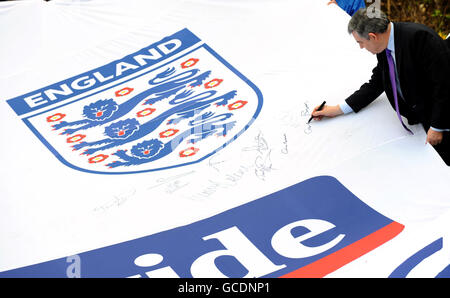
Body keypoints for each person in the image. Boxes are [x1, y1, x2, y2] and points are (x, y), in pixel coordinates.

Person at [311, 8, 450, 166]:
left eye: (360, 42)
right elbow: (376, 83)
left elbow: (444, 84)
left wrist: (438, 127)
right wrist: (337, 109)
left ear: (372, 36)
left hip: (441, 125)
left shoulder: (420, 38)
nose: (361, 47)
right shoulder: (385, 47)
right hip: (421, 122)